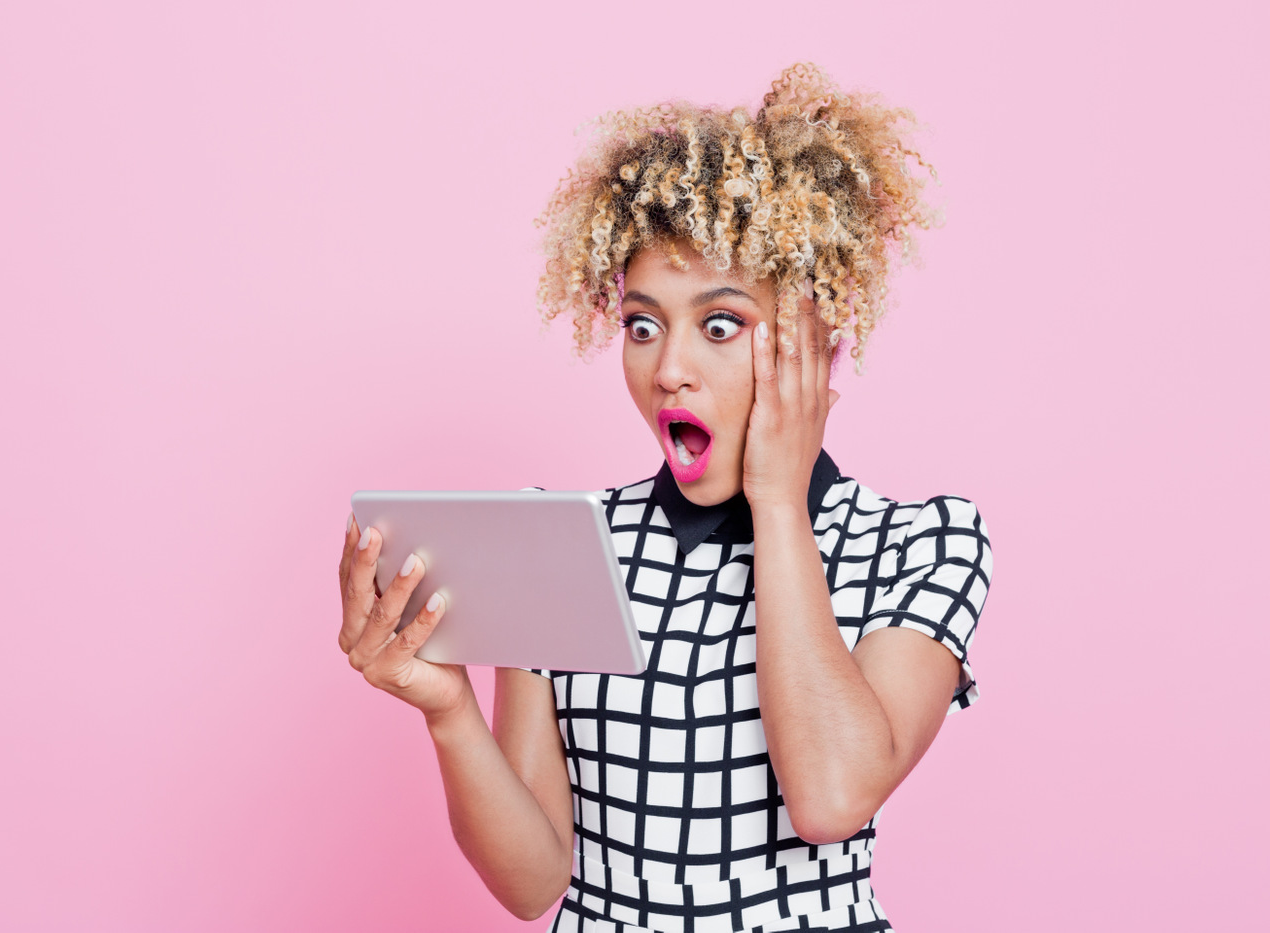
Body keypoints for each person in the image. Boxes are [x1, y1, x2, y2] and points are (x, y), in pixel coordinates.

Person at [339, 62, 994, 933]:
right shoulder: (565, 541)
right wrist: (448, 707)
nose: (668, 369)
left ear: (815, 337)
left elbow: (832, 797)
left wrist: (779, 501)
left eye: (720, 325)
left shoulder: (922, 543)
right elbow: (535, 883)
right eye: (643, 325)